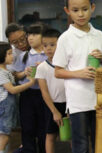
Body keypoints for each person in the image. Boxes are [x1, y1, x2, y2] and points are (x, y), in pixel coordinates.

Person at [53, 0, 102, 153]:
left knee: (100, 141)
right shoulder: (65, 38)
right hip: (77, 101)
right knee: (80, 145)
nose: (81, 14)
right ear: (67, 11)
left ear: (92, 8)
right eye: (75, 10)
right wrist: (78, 73)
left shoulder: (100, 35)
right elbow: (57, 71)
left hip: (99, 98)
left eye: (85, 9)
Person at [14, 23, 48, 153]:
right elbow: (16, 76)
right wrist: (24, 73)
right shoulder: (24, 56)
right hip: (27, 94)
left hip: (45, 94)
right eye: (29, 35)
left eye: (34, 34)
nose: (30, 38)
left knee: (43, 128)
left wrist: (45, 66)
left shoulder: (49, 55)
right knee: (27, 126)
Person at [35, 29, 67, 153]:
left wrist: (69, 108)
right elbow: (44, 92)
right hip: (51, 106)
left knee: (71, 136)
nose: (48, 48)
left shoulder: (67, 64)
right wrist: (54, 111)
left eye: (52, 45)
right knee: (50, 136)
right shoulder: (42, 67)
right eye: (45, 45)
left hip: (69, 104)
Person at [0, 42, 35, 153]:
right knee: (4, 135)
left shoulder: (6, 71)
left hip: (8, 108)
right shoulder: (1, 73)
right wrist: (30, 83)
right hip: (5, 109)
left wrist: (25, 72)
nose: (12, 56)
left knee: (6, 134)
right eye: (9, 54)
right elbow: (12, 90)